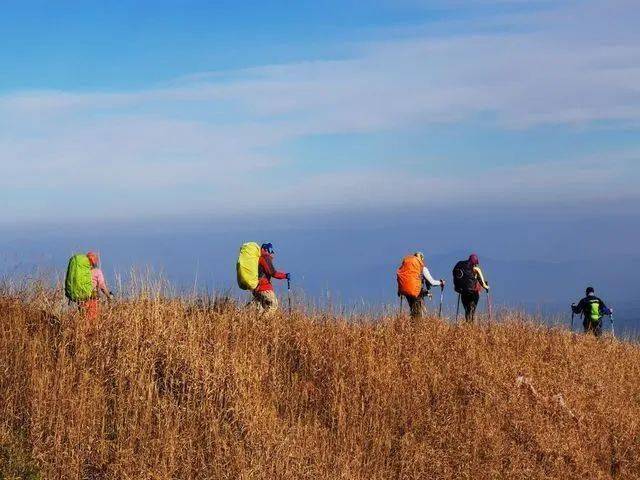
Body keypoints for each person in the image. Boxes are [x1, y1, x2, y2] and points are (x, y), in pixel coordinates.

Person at [397, 252, 446, 319]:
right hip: (416, 292)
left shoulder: (408, 268)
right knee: (418, 314)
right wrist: (440, 282)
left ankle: (411, 327)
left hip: (407, 291)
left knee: (413, 310)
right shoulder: (422, 268)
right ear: (421, 258)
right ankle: (416, 328)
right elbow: (432, 282)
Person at [250, 243, 289, 317]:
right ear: (264, 250)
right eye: (270, 250)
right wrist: (285, 276)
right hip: (264, 288)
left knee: (260, 310)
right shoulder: (264, 258)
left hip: (256, 288)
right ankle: (264, 322)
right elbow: (273, 273)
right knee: (273, 305)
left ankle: (258, 326)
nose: (271, 252)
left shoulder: (257, 259)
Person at [453, 253, 489, 322]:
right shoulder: (476, 269)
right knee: (472, 310)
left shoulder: (461, 266)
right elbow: (483, 283)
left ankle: (468, 323)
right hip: (473, 293)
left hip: (463, 292)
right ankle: (471, 324)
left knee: (467, 310)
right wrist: (486, 286)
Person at [83, 251, 112, 320]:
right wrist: (108, 296)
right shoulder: (97, 271)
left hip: (81, 299)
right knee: (92, 321)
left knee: (83, 319)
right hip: (92, 299)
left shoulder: (82, 272)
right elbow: (102, 286)